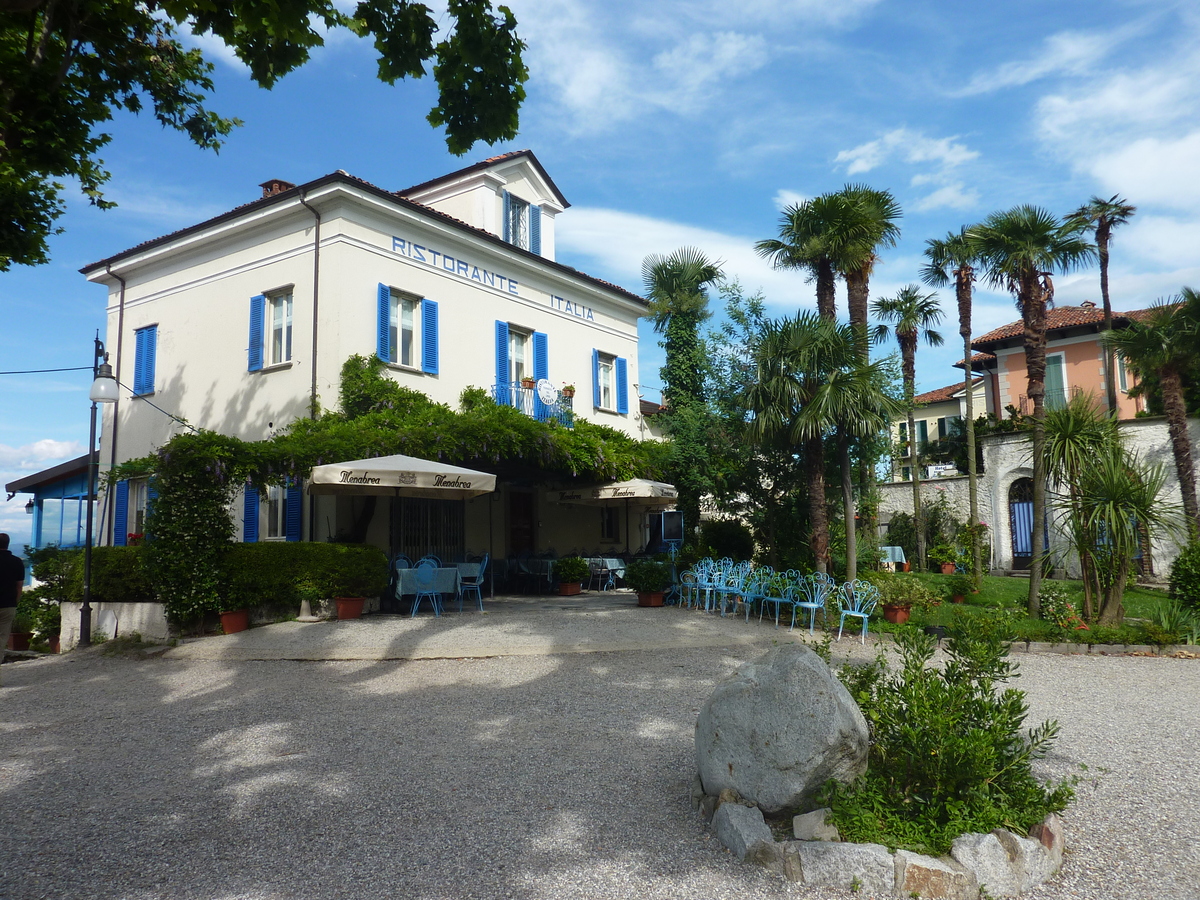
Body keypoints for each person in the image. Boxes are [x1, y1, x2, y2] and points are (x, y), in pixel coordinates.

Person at [0, 533, 27, 684]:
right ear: (8, 544)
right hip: (8, 605)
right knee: (2, 639)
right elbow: (19, 586)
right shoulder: (17, 562)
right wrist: (14, 602)